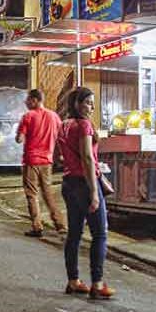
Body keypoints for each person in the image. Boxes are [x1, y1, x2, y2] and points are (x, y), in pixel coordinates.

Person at [57, 87, 114, 299]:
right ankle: (97, 284)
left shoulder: (64, 125)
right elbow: (88, 159)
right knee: (99, 233)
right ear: (76, 104)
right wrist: (94, 192)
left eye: (93, 103)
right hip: (84, 182)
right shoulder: (84, 126)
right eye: (88, 103)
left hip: (68, 182)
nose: (91, 107)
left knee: (74, 234)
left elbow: (60, 156)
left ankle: (73, 280)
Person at [16, 89, 65, 237]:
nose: (26, 102)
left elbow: (19, 139)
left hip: (31, 160)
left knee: (32, 194)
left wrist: (20, 135)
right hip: (47, 161)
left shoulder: (28, 116)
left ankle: (37, 226)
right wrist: (61, 155)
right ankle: (60, 225)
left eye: (28, 100)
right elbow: (61, 137)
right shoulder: (54, 117)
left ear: (35, 100)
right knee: (48, 193)